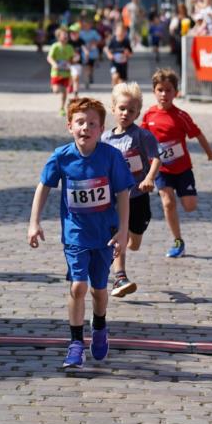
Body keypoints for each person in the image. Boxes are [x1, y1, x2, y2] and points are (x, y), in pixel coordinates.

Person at [27, 97, 134, 368]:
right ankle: (75, 343)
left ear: (101, 129)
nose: (86, 127)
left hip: (105, 234)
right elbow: (43, 187)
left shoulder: (111, 157)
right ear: (69, 126)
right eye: (80, 122)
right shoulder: (61, 156)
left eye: (92, 124)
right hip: (75, 234)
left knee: (99, 290)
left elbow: (123, 193)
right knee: (78, 286)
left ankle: (99, 327)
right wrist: (34, 222)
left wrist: (123, 231)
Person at [141, 67, 212, 258]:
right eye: (160, 90)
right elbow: (141, 140)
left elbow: (197, 133)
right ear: (154, 92)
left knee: (189, 206)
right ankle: (178, 241)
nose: (164, 94)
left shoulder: (180, 116)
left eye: (168, 90)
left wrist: (209, 153)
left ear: (176, 93)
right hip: (161, 169)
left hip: (183, 168)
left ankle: (188, 196)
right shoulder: (149, 116)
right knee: (168, 203)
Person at [102, 82, 161, 296]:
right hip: (117, 198)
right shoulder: (106, 138)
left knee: (134, 242)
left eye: (131, 110)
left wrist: (149, 178)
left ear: (137, 112)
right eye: (122, 108)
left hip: (138, 196)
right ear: (113, 109)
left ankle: (127, 248)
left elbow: (156, 159)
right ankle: (120, 277)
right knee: (121, 236)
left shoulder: (142, 136)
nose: (126, 113)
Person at [47, 26, 75, 114]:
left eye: (67, 35)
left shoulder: (70, 47)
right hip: (56, 73)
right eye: (64, 35)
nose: (66, 37)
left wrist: (70, 64)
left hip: (66, 73)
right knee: (56, 91)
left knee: (64, 91)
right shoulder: (55, 46)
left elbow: (71, 59)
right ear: (58, 37)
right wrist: (54, 64)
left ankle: (62, 108)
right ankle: (54, 88)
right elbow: (49, 57)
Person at [78, 10, 103, 89]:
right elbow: (78, 42)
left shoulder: (93, 32)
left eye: (88, 25)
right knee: (86, 66)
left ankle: (90, 75)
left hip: (92, 52)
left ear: (90, 25)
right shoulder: (81, 33)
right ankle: (86, 80)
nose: (86, 26)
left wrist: (93, 43)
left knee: (91, 67)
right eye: (85, 25)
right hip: (84, 52)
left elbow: (100, 40)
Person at [105, 21, 132, 86]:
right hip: (114, 63)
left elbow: (131, 53)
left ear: (125, 33)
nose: (120, 34)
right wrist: (109, 55)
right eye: (119, 32)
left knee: (122, 83)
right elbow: (106, 49)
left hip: (123, 64)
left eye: (122, 32)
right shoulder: (113, 41)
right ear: (116, 32)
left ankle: (117, 90)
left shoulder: (126, 41)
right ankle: (114, 87)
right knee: (115, 76)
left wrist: (127, 53)